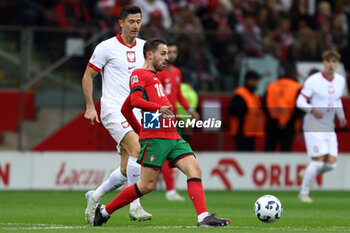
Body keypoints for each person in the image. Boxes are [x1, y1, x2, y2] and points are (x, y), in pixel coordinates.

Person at [92, 38, 231, 227]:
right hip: (156, 138)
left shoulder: (156, 77)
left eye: (168, 54)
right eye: (163, 53)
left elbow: (126, 109)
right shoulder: (139, 73)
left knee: (194, 169)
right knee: (146, 185)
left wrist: (139, 130)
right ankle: (104, 211)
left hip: (173, 135)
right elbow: (135, 100)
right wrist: (151, 119)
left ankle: (203, 217)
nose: (167, 58)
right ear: (150, 55)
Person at [81, 5, 151, 223]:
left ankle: (95, 196)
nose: (136, 26)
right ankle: (135, 207)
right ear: (120, 22)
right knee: (137, 149)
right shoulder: (106, 47)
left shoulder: (144, 47)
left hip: (137, 112)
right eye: (131, 21)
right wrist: (90, 107)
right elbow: (87, 76)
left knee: (124, 171)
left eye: (138, 21)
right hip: (113, 108)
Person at [296, 49, 347, 203]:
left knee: (331, 165)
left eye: (334, 62)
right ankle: (303, 193)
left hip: (329, 126)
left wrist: (341, 116)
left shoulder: (340, 80)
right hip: (313, 124)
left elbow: (337, 100)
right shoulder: (313, 80)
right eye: (328, 61)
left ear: (337, 64)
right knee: (318, 161)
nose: (331, 65)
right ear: (323, 62)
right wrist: (312, 109)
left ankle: (307, 173)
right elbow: (300, 102)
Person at [157, 41, 200, 201]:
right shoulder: (158, 73)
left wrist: (190, 110)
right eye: (168, 52)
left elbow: (178, 94)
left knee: (165, 155)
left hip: (173, 120)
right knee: (168, 154)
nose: (171, 55)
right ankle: (169, 190)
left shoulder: (176, 72)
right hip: (160, 119)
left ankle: (169, 190)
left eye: (174, 52)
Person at [263, 63, 302, 152]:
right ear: (294, 73)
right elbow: (299, 109)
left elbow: (264, 105)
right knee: (286, 151)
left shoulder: (271, 86)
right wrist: (286, 121)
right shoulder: (297, 87)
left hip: (272, 124)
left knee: (269, 150)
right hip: (289, 125)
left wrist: (273, 119)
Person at [228, 71, 264, 151]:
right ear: (249, 81)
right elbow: (233, 111)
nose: (256, 83)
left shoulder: (253, 95)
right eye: (255, 81)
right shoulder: (241, 94)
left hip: (250, 133)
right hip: (242, 133)